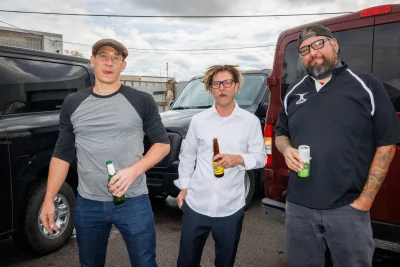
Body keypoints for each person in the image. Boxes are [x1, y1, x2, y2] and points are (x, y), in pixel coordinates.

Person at [275, 24, 400, 267]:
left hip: (347, 209)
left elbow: (387, 145)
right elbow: (281, 133)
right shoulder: (294, 93)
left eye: (318, 44)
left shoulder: (366, 85)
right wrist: (287, 149)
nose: (313, 52)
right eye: (304, 50)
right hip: (299, 208)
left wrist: (365, 200)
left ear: (335, 45)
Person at [39, 38, 170, 267]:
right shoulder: (73, 103)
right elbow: (62, 153)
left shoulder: (141, 100)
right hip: (88, 203)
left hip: (134, 201)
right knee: (89, 264)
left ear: (123, 65)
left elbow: (162, 144)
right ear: (93, 61)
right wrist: (49, 199)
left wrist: (133, 171)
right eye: (103, 56)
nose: (109, 62)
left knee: (145, 263)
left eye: (116, 58)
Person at [174, 65, 266, 267]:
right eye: (216, 84)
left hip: (230, 207)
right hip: (197, 204)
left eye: (227, 83)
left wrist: (239, 159)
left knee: (225, 262)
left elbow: (261, 158)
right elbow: (187, 155)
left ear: (236, 86)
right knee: (186, 261)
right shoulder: (199, 120)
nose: (222, 88)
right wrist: (184, 187)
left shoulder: (249, 122)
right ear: (210, 88)